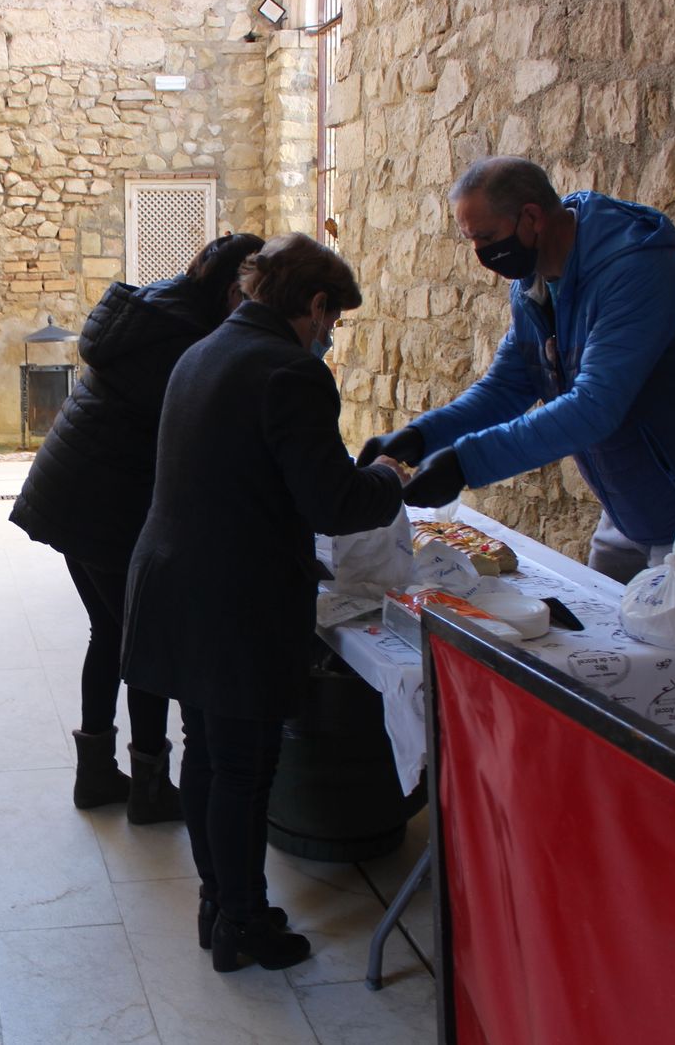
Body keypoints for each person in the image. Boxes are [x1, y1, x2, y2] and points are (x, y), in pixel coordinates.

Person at [121, 232, 408, 972]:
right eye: (333, 320)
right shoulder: (288, 370)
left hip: (176, 580)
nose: (329, 336)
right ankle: (244, 923)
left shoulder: (207, 348)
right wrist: (390, 477)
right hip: (233, 599)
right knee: (244, 770)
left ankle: (218, 904)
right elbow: (332, 501)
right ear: (313, 305)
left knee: (208, 755)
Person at [365, 156, 675, 625]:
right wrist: (420, 436)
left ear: (531, 218)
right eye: (471, 240)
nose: (482, 255)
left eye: (487, 239)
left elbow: (594, 407)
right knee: (599, 638)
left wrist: (466, 462)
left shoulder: (635, 272)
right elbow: (508, 385)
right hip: (628, 498)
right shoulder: (534, 283)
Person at [10, 233, 265, 823]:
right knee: (143, 638)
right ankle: (149, 787)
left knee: (112, 629)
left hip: (72, 491)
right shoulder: (189, 339)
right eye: (257, 300)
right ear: (233, 292)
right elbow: (200, 440)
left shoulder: (160, 306)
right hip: (99, 501)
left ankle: (97, 774)